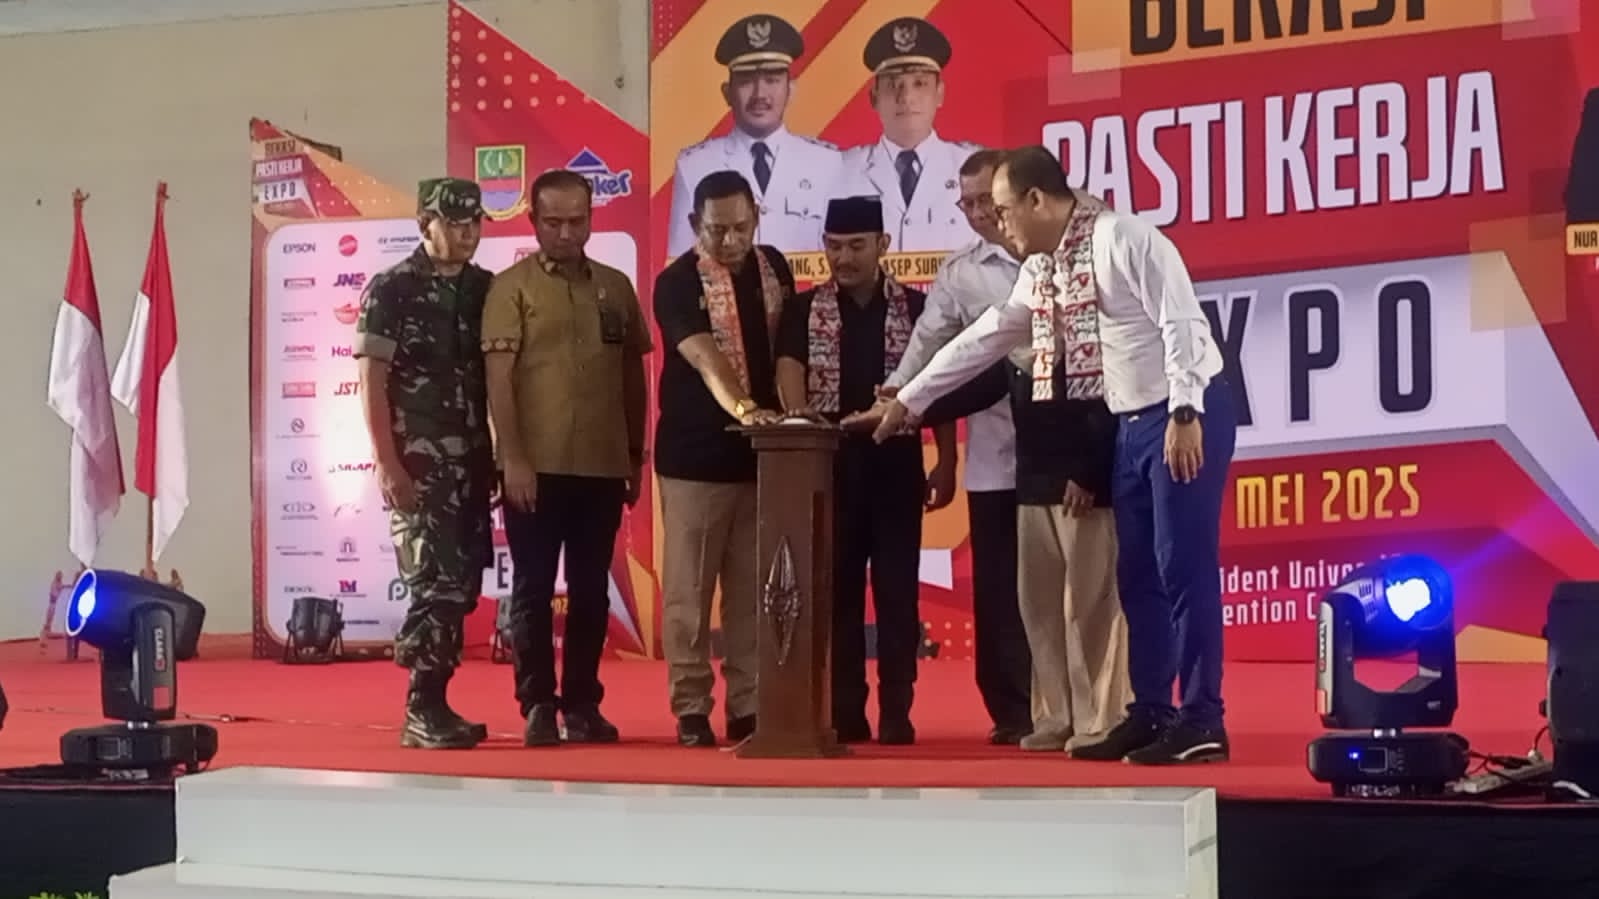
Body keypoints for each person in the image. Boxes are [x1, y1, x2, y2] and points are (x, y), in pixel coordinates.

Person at [868, 146, 1237, 765]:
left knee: (1182, 567)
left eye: (1003, 210)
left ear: (1037, 200)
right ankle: (1151, 711)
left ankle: (1204, 719)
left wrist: (1183, 413)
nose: (997, 224)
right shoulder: (1044, 270)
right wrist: (910, 399)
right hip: (1129, 423)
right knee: (1137, 575)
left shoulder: (1124, 238)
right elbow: (985, 338)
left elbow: (1182, 324)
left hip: (1185, 414)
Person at [481, 169, 651, 747]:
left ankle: (582, 703)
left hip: (602, 464)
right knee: (532, 587)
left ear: (591, 218)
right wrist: (513, 459)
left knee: (591, 590)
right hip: (535, 466)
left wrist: (635, 455)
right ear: (532, 220)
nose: (565, 232)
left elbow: (633, 375)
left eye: (576, 221)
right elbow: (498, 380)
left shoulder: (616, 286)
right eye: (552, 221)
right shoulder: (511, 288)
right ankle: (536, 704)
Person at [776, 195, 952, 745]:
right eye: (834, 246)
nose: (843, 257)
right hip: (830, 470)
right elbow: (788, 371)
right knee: (838, 596)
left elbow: (938, 385)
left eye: (856, 246)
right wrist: (798, 425)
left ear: (883, 245)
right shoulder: (804, 310)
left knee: (898, 596)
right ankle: (847, 709)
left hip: (896, 467)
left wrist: (947, 461)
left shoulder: (917, 309)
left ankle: (898, 710)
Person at [874, 148, 1032, 744]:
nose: (978, 213)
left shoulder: (1058, 254)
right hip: (995, 453)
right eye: (966, 204)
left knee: (1060, 585)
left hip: (1065, 448)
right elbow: (929, 344)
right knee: (998, 589)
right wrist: (896, 399)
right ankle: (1011, 709)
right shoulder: (961, 272)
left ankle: (1069, 704)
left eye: (986, 200)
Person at [354, 177, 496, 751]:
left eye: (474, 223)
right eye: (454, 223)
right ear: (424, 225)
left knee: (461, 585)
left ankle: (438, 702)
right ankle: (422, 707)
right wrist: (387, 463)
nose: (466, 234)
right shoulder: (393, 289)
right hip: (419, 463)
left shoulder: (485, 289)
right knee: (432, 584)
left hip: (473, 462)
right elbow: (371, 379)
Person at [654, 170, 791, 747]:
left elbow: (789, 351)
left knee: (752, 594)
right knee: (689, 595)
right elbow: (704, 356)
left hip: (761, 461)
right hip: (694, 461)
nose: (731, 240)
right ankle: (690, 707)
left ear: (756, 218)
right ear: (695, 225)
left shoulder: (775, 268)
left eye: (740, 227)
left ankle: (747, 705)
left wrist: (792, 420)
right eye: (717, 230)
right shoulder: (675, 282)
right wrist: (744, 408)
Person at [667, 14, 844, 256]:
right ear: (727, 93)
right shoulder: (694, 165)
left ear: (790, 90)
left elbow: (843, 254)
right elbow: (681, 263)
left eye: (772, 80)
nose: (760, 94)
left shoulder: (827, 163)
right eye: (746, 81)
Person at [839, 17, 981, 253]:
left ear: (939, 94)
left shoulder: (973, 169)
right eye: (893, 85)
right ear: (873, 98)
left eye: (920, 83)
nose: (906, 97)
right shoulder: (842, 170)